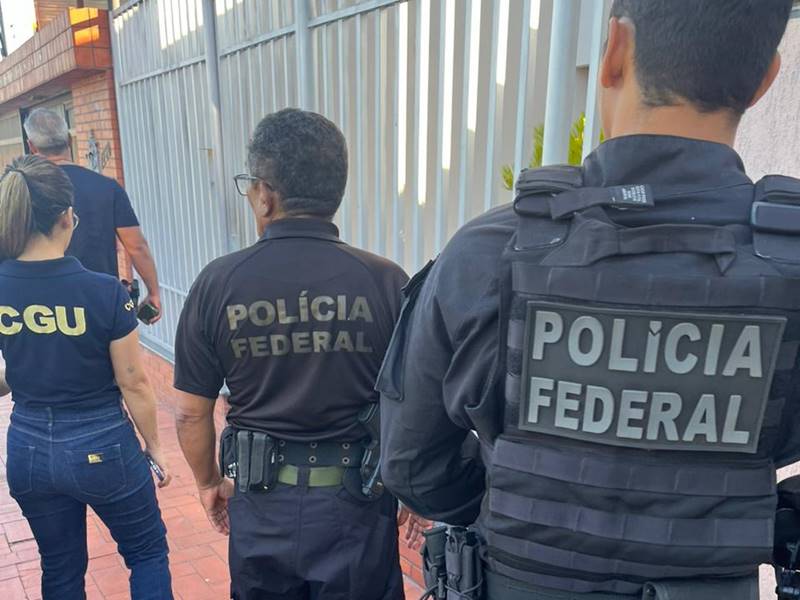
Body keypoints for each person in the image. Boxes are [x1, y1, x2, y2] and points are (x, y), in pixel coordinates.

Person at [379, 1, 799, 599]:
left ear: (614, 52)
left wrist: (517, 505)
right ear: (765, 79)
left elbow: (412, 463)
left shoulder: (489, 252)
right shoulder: (789, 265)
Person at [173, 108, 411, 600]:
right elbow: (417, 401)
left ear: (265, 194)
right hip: (357, 509)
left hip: (261, 508)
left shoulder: (218, 283)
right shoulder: (387, 281)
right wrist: (414, 483)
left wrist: (208, 482)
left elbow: (190, 413)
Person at [0, 155, 173, 600]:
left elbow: (9, 372)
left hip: (28, 448)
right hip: (102, 442)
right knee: (147, 553)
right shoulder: (104, 291)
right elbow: (134, 382)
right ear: (66, 217)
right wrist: (154, 446)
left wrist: (27, 371)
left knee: (60, 568)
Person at [23, 108, 162, 323]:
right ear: (69, 140)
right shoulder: (107, 187)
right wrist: (153, 293)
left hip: (43, 311)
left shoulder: (22, 191)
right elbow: (137, 246)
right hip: (100, 304)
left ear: (31, 146)